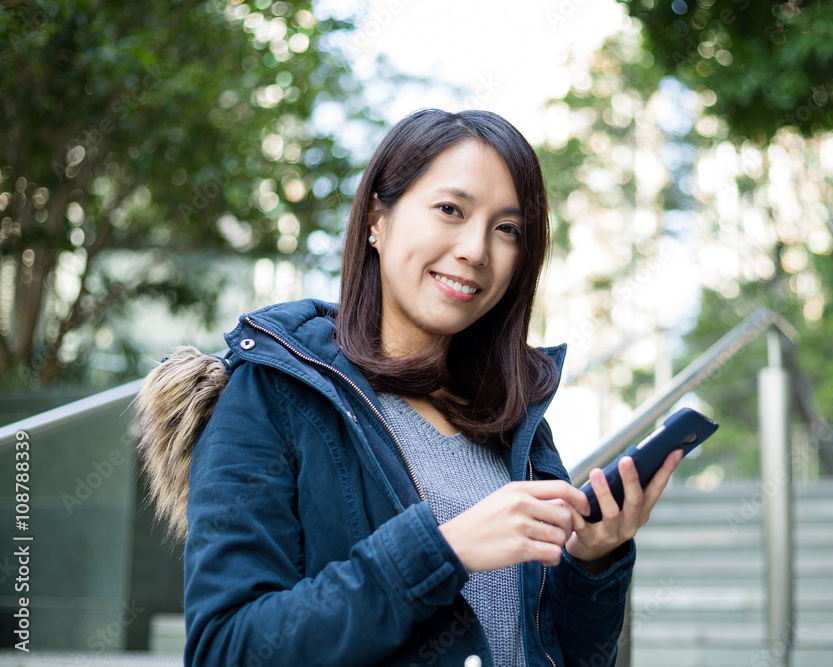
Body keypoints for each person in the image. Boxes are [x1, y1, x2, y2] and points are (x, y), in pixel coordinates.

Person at [132, 108, 683, 667]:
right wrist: (442, 551)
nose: (476, 250)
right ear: (377, 219)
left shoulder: (514, 421)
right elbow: (227, 649)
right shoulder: (274, 392)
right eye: (450, 210)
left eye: (507, 229)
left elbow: (569, 655)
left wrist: (593, 561)